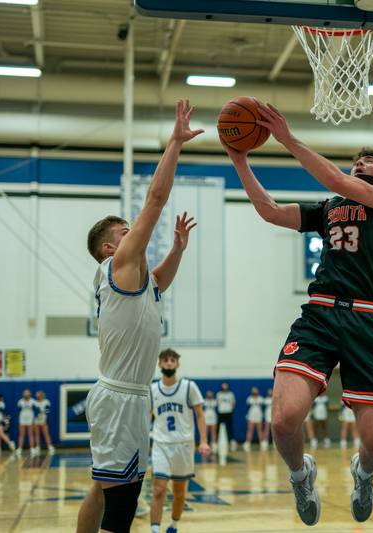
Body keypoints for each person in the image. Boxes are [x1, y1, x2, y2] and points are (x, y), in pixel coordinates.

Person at [223, 102, 373, 526]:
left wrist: (288, 139)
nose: (359, 162)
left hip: (368, 321)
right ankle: (300, 474)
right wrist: (240, 160)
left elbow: (335, 177)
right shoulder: (328, 208)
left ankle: (363, 473)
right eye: (356, 159)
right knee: (284, 419)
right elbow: (269, 210)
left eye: (368, 161)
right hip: (320, 316)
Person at [76, 99, 202, 533]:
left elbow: (161, 281)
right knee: (122, 501)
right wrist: (175, 142)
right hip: (120, 397)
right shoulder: (117, 267)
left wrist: (178, 249)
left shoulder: (137, 281)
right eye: (124, 233)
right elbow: (156, 198)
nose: (133, 234)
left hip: (127, 396)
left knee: (103, 489)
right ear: (110, 249)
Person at [149, 349, 210, 533]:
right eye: (165, 360)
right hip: (160, 444)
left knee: (179, 493)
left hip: (183, 445)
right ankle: (154, 530)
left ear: (177, 364)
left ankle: (173, 525)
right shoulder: (151, 390)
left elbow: (200, 415)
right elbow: (145, 418)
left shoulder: (189, 387)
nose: (169, 363)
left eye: (172, 360)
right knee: (158, 489)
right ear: (159, 364)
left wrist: (204, 441)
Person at [216, 383, 237, 451]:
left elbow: (233, 403)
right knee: (218, 427)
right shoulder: (219, 394)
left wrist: (230, 407)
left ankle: (231, 441)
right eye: (223, 386)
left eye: (226, 386)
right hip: (221, 412)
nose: (224, 387)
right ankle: (216, 441)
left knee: (230, 427)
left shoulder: (231, 394)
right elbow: (218, 403)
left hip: (228, 412)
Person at [33, 390, 55, 455]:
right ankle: (37, 447)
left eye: (39, 395)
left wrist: (42, 412)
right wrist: (37, 413)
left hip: (43, 419)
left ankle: (50, 446)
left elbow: (47, 411)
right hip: (36, 420)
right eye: (37, 395)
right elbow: (34, 411)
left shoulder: (46, 402)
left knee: (46, 433)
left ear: (41, 395)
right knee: (37, 434)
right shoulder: (35, 402)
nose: (37, 396)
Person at [16, 388, 37, 456]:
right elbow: (18, 410)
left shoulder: (33, 401)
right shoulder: (20, 401)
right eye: (24, 392)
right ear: (23, 394)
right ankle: (19, 449)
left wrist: (35, 418)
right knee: (21, 434)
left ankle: (32, 449)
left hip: (30, 420)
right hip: (22, 419)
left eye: (27, 392)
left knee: (30, 434)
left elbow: (37, 410)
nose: (26, 394)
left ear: (29, 394)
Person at [244, 387, 264, 451]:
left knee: (260, 430)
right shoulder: (249, 399)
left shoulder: (261, 399)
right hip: (251, 416)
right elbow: (248, 404)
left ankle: (262, 443)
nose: (255, 392)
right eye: (253, 391)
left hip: (259, 416)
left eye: (256, 391)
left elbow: (262, 404)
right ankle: (247, 443)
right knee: (250, 430)